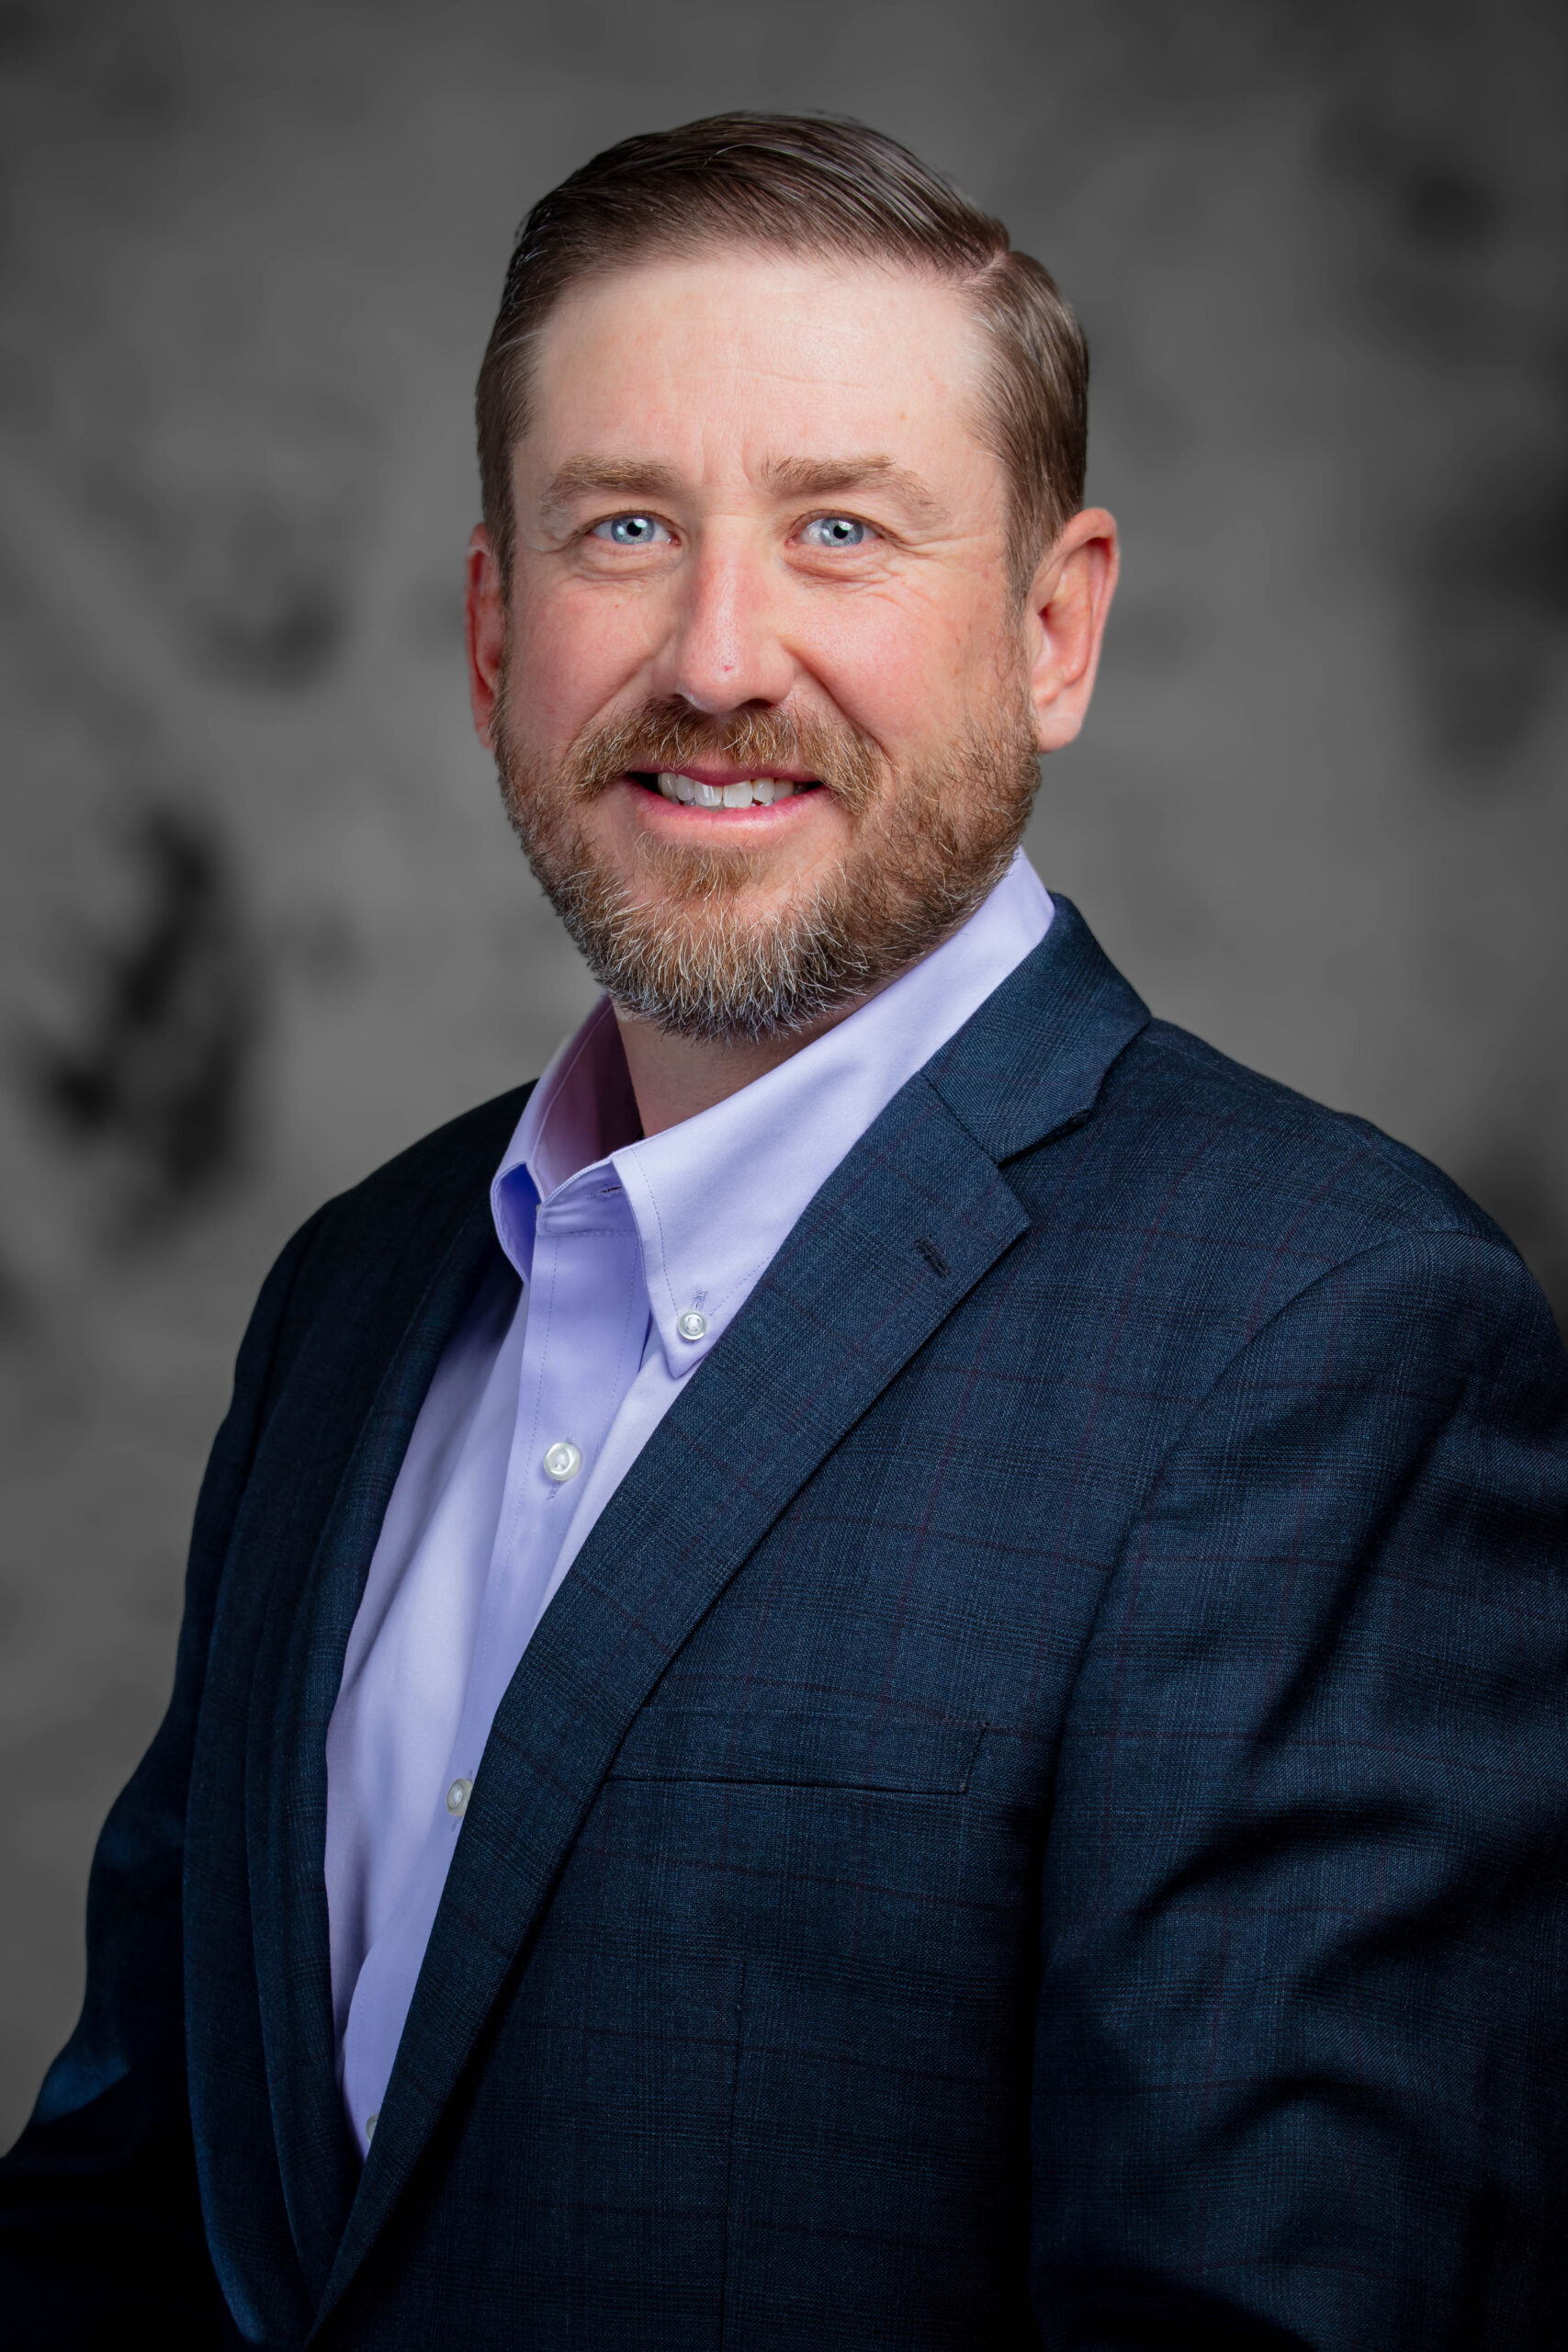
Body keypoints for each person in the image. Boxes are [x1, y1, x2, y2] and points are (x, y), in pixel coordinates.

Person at [3, 111, 1565, 2352]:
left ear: (1051, 628)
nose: (719, 654)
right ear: (491, 626)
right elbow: (124, 2215)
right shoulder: (350, 1298)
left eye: (840, 528)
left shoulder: (1329, 1340)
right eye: (623, 527)